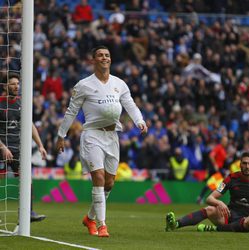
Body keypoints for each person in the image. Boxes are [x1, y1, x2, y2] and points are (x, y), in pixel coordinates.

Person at [56, 45, 148, 237]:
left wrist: (139, 121)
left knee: (109, 183)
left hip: (112, 135)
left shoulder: (119, 84)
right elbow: (71, 110)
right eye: (100, 55)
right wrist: (61, 135)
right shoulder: (84, 85)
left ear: (110, 59)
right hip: (92, 135)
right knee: (98, 177)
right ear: (93, 60)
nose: (104, 58)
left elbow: (129, 103)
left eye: (107, 55)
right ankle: (102, 225)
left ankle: (89, 218)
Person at [0, 73, 47, 222]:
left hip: (17, 148)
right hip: (1, 148)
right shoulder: (0, 103)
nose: (16, 86)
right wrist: (2, 147)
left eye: (17, 84)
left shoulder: (22, 103)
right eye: (13, 84)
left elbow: (30, 124)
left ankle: (28, 213)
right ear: (5, 86)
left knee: (27, 179)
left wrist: (40, 145)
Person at [165, 151, 249, 232]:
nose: (247, 166)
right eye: (244, 163)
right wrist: (219, 203)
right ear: (240, 164)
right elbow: (209, 198)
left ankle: (215, 229)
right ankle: (175, 224)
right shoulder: (231, 178)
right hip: (231, 216)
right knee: (210, 209)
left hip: (248, 219)